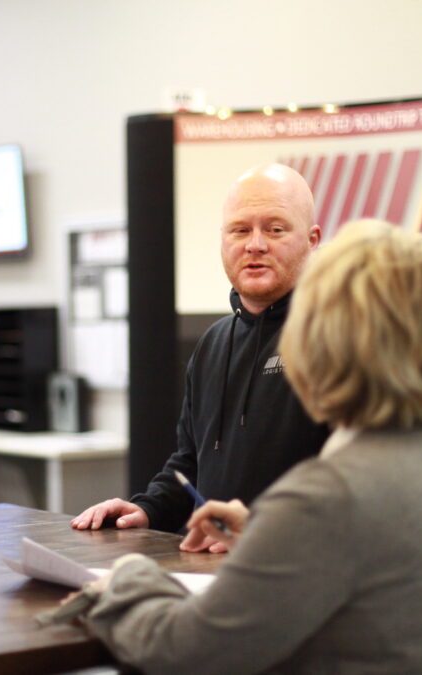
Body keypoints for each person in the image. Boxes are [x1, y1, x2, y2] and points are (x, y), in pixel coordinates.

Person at [59, 220, 422, 674]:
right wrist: (273, 538)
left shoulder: (331, 497)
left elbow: (187, 653)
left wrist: (127, 579)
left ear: (319, 339)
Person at [71, 164, 330, 550]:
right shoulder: (213, 344)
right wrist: (145, 510)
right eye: (240, 230)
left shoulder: (339, 339)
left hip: (298, 571)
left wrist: (263, 532)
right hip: (210, 569)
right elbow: (189, 465)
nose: (255, 244)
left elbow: (359, 479)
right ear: (223, 239)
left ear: (312, 240)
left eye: (275, 229)